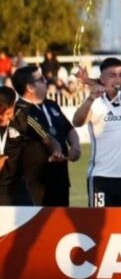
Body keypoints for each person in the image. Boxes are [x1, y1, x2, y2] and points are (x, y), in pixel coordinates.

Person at [12, 66, 80, 206]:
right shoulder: (20, 112)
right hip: (36, 183)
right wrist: (57, 150)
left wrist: (76, 146)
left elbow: (69, 129)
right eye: (41, 79)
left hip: (60, 178)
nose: (46, 81)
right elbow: (46, 138)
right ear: (30, 87)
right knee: (39, 225)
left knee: (61, 223)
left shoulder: (52, 105)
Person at [72, 57, 121, 207]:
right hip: (102, 176)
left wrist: (88, 80)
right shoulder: (96, 102)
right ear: (102, 79)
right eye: (112, 75)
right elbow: (77, 122)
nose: (118, 80)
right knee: (98, 224)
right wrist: (89, 99)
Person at [0, 86, 61, 205]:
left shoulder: (24, 117)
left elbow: (47, 138)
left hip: (16, 186)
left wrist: (56, 150)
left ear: (14, 105)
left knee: (31, 221)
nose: (3, 119)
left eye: (7, 113)